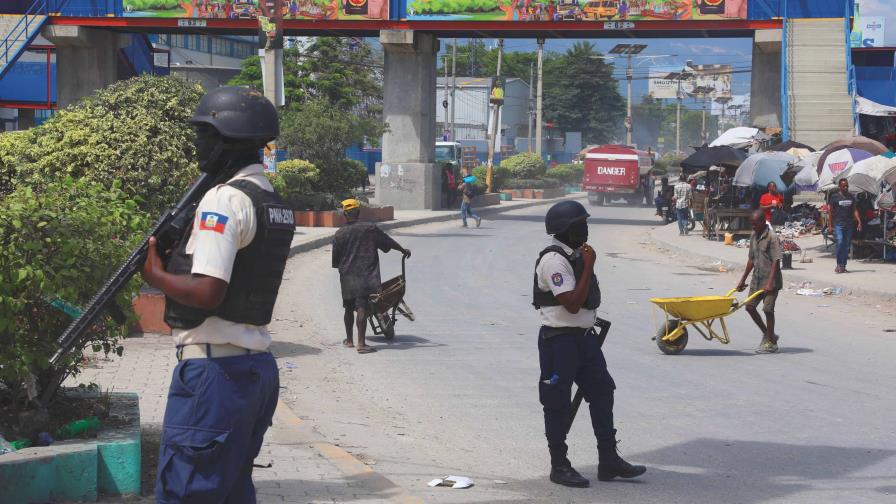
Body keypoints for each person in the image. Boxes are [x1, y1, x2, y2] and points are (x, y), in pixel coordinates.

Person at [141, 87, 293, 503]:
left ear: (229, 139)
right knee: (230, 492)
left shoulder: (224, 199)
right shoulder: (271, 201)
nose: (199, 146)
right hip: (255, 372)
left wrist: (155, 273)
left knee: (188, 492)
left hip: (214, 378)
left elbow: (207, 291)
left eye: (205, 135)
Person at [533, 200, 646, 488]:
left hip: (584, 340)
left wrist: (586, 263)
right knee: (556, 401)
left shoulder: (575, 255)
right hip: (559, 342)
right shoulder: (553, 260)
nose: (585, 228)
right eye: (579, 224)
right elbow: (571, 303)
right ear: (565, 229)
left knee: (602, 391)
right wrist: (589, 265)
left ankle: (608, 459)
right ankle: (559, 465)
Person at [332, 199, 411, 354]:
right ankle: (361, 344)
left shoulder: (339, 234)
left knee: (348, 307)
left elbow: (335, 261)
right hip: (366, 274)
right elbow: (388, 242)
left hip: (347, 275)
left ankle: (349, 341)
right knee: (361, 306)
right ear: (358, 213)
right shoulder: (369, 228)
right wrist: (402, 250)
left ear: (344, 216)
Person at [736, 210, 784, 354]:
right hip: (757, 279)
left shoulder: (772, 237)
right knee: (749, 307)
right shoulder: (753, 235)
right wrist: (742, 279)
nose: (753, 227)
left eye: (755, 224)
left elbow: (776, 260)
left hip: (771, 280)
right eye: (752, 224)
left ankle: (771, 343)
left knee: (767, 310)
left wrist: (770, 283)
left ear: (763, 222)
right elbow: (751, 259)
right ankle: (769, 335)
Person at [827, 178, 862, 273]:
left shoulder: (851, 197)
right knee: (840, 242)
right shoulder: (834, 197)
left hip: (849, 225)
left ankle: (843, 265)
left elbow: (854, 210)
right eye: (844, 186)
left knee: (846, 246)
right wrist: (830, 225)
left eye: (847, 186)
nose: (846, 187)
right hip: (838, 224)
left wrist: (859, 221)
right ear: (839, 187)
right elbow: (830, 212)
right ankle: (838, 264)